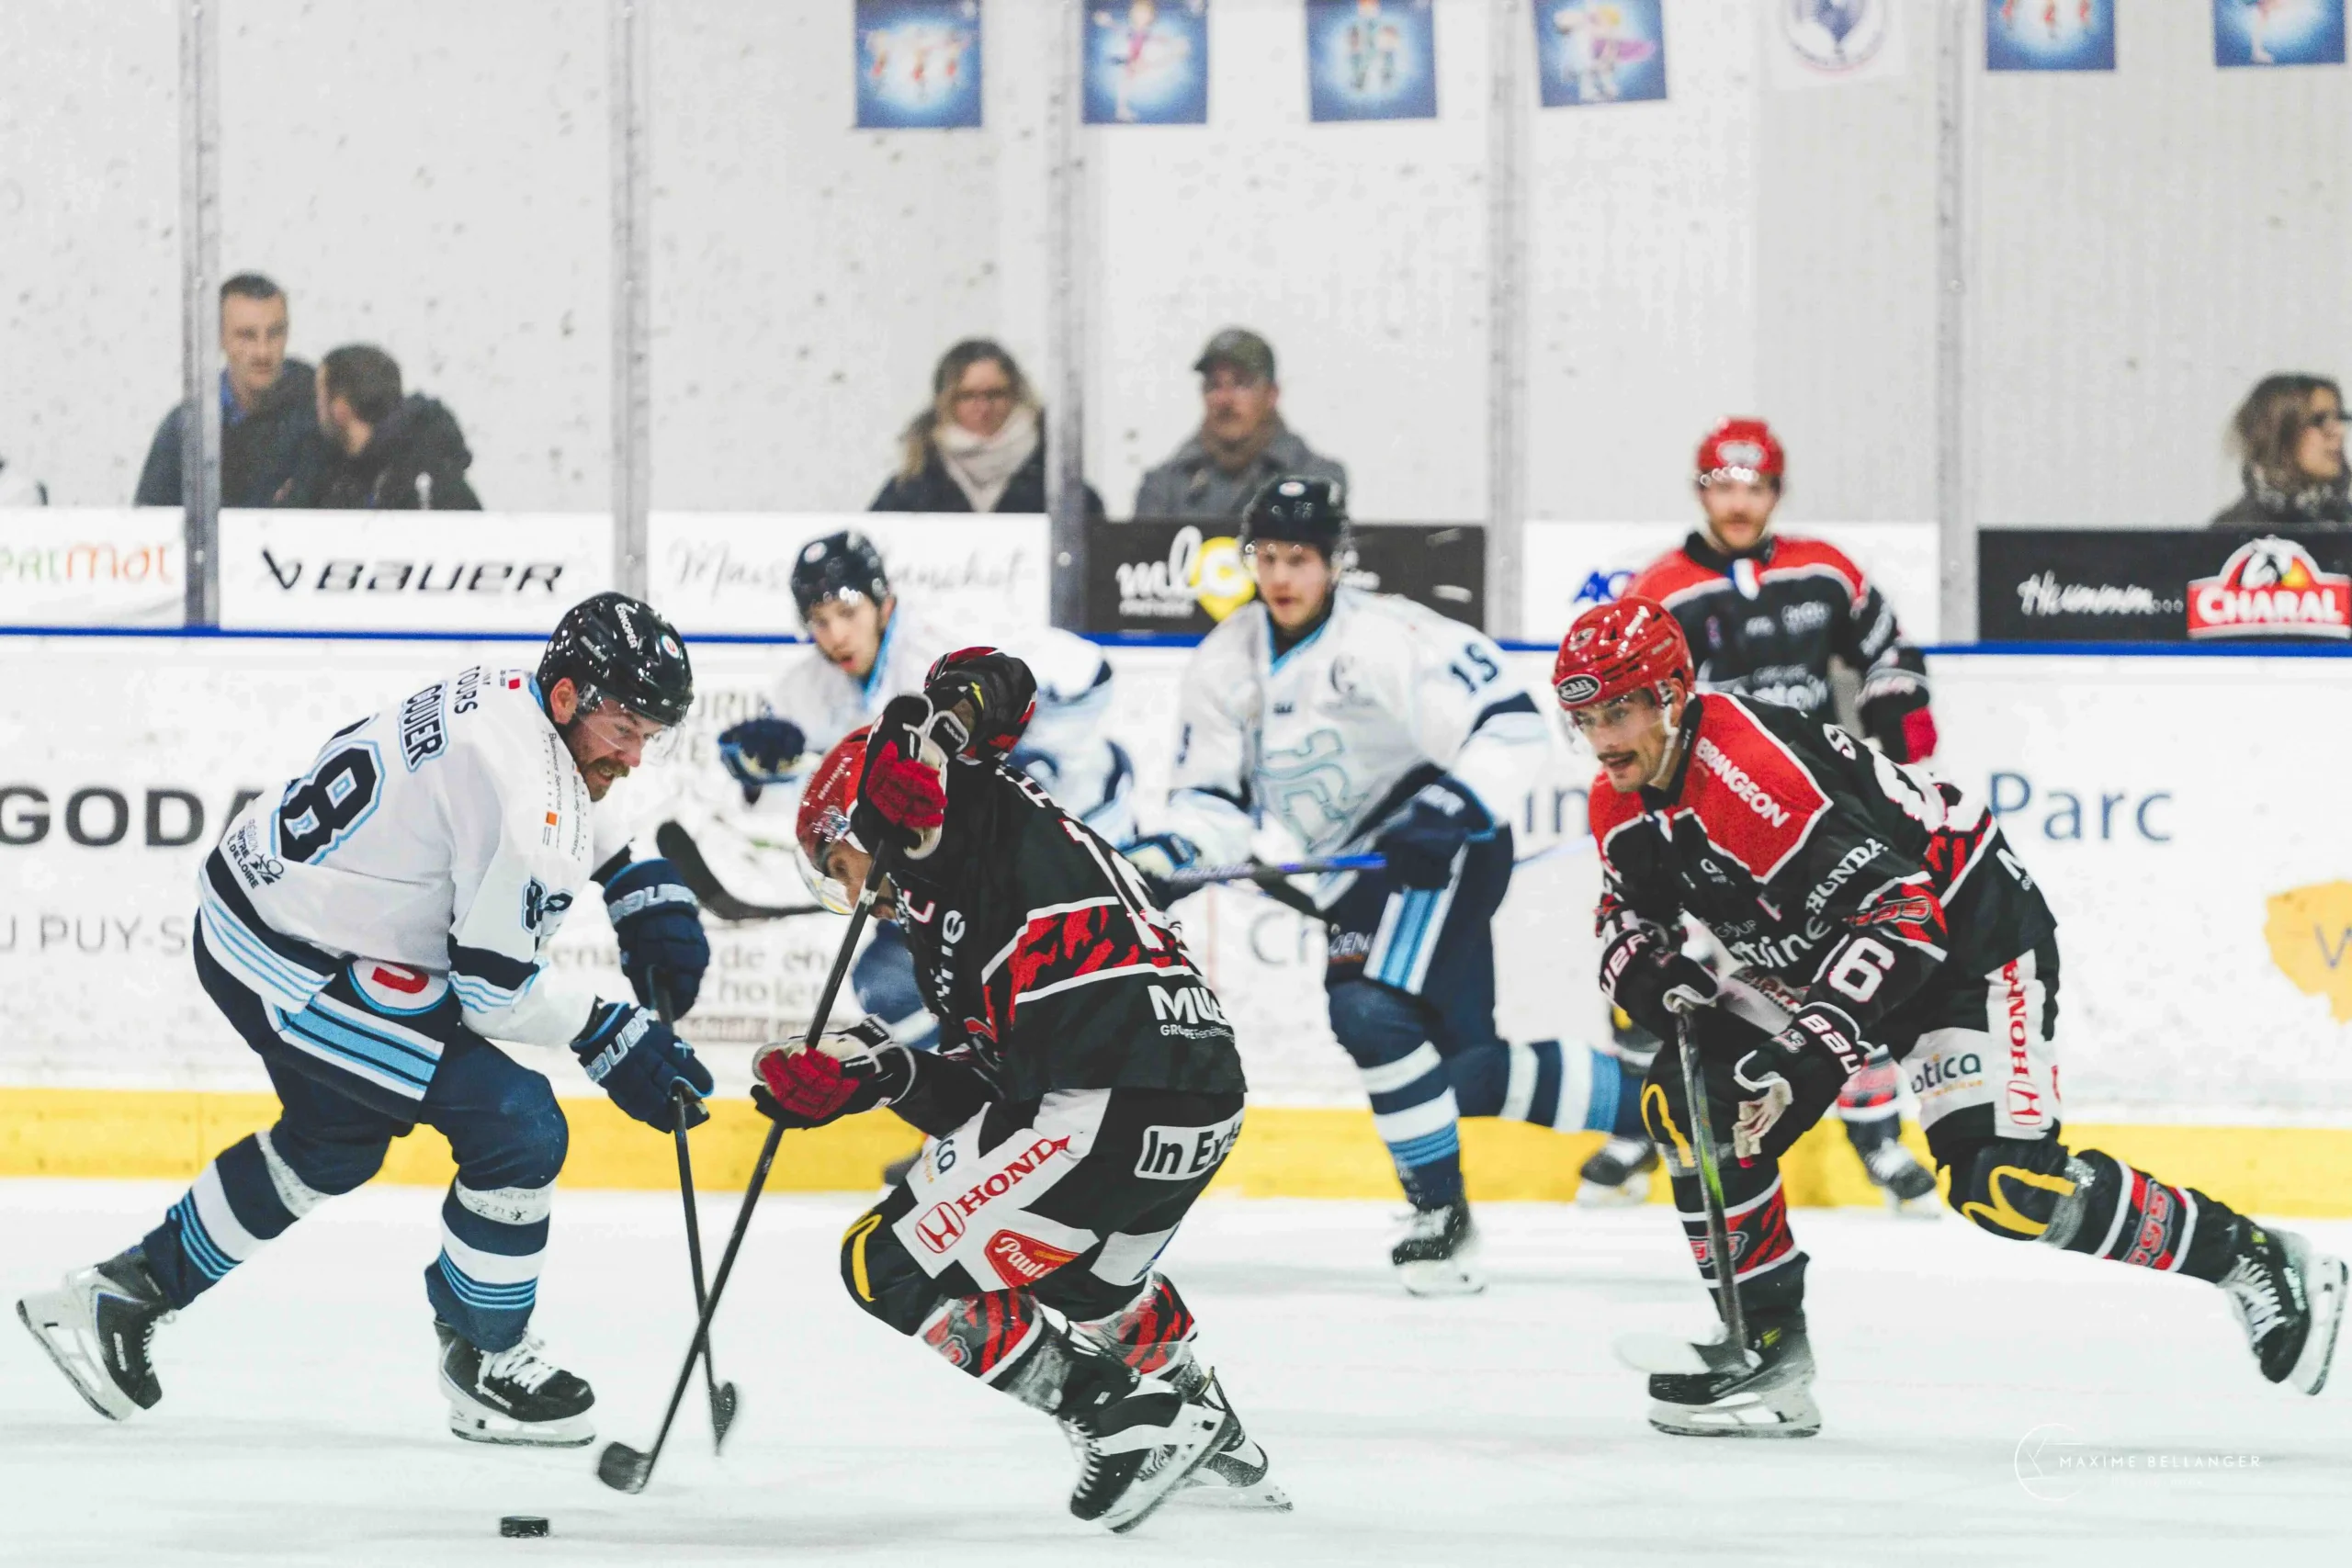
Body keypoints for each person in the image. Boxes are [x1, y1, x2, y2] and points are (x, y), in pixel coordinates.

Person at [1554, 595, 2346, 1437]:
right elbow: (1626, 915)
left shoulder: (1754, 778)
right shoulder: (1622, 795)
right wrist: (1645, 968)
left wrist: (1815, 1048)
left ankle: (2255, 1258)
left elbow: (1905, 915)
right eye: (1589, 717)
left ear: (1672, 695)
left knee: (2005, 1186)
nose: (1605, 738)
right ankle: (1770, 1355)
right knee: (1688, 1097)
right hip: (1833, 948)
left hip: (1966, 938)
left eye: (1623, 709)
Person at [17, 593, 718, 1449]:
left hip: (261, 911)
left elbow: (555, 791)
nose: (636, 756)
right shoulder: (530, 801)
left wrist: (631, 871)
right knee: (518, 1123)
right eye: (627, 728)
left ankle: (117, 1299)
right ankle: (487, 1361)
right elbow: (493, 993)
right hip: (292, 959)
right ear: (568, 697)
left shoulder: (510, 693)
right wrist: (612, 1034)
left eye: (653, 734)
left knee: (334, 1141)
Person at [753, 650, 1278, 1533]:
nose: (854, 896)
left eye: (838, 864)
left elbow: (996, 680)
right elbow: (989, 1096)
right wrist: (877, 1074)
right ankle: (1210, 1428)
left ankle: (1123, 1420)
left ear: (857, 822)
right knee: (1080, 1279)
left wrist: (940, 723)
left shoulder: (955, 812)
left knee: (881, 1261)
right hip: (1194, 1105)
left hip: (1107, 1090)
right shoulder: (960, 903)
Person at [1127, 476, 1645, 1294]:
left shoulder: (1389, 637)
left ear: (1334, 560)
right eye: (1266, 556)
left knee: (1368, 1011)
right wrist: (1171, 852)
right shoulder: (1225, 661)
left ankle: (1441, 1217)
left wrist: (1449, 805)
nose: (1281, 575)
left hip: (1446, 845)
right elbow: (1211, 801)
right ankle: (1673, 1113)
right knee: (1465, 1071)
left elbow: (1509, 719)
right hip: (1359, 877)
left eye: (1299, 557)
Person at [1579, 417, 1943, 1214]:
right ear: (1701, 489)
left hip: (1808, 810)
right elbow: (1624, 700)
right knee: (1655, 958)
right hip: (1702, 808)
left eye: (1754, 484)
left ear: (1776, 490)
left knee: (1855, 956)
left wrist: (1898, 708)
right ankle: (1639, 1128)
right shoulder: (1663, 588)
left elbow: (1890, 649)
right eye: (1722, 483)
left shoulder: (1825, 569)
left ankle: (1877, 1137)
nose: (1738, 501)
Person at [713, 529, 1132, 1049]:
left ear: (883, 601)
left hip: (1072, 830)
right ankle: (974, 1103)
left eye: (847, 612)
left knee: (1061, 989)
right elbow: (815, 799)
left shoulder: (945, 642)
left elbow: (1090, 673)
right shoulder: (806, 690)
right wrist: (760, 767)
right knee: (889, 984)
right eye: (818, 621)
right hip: (952, 873)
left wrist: (1018, 751)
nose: (835, 634)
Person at [134, 273, 319, 509]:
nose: (263, 352)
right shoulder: (187, 429)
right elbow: (149, 527)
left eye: (274, 333)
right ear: (219, 338)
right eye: (247, 335)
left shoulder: (319, 411)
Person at [870, 339, 1102, 518]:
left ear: (1015, 395)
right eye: (967, 396)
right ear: (946, 401)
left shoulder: (1062, 489)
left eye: (995, 394)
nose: (982, 407)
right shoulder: (908, 491)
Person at [1131, 330, 1348, 522]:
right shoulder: (1165, 486)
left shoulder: (1316, 480)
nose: (1225, 400)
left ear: (1272, 395)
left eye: (1241, 384)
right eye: (1214, 385)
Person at [299, 344, 482, 511]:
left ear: (340, 408)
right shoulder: (337, 474)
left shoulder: (427, 484)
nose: (315, 409)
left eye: (320, 397)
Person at [2211, 373, 2348, 526]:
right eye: (2320, 420)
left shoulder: (2345, 523)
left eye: (2339, 418)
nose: (2339, 431)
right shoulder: (2235, 533)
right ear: (2280, 433)